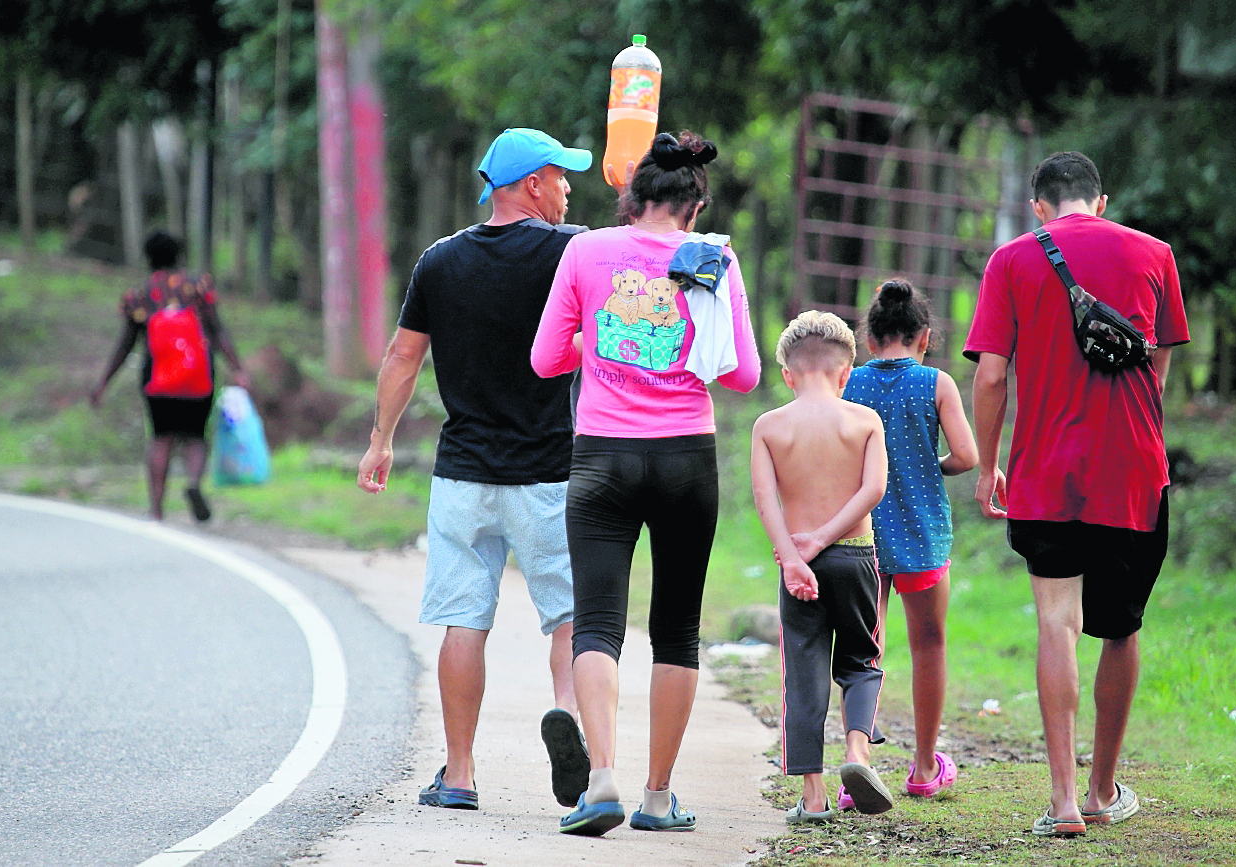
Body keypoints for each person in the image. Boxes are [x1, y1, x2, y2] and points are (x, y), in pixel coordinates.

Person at [355, 128, 594, 812]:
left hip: (462, 474)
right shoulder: (573, 250)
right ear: (532, 184)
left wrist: (380, 440)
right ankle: (566, 713)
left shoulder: (439, 261)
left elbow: (402, 357)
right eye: (561, 176)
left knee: (464, 620)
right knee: (570, 616)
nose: (567, 189)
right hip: (550, 471)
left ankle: (458, 775)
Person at [530, 131, 761, 836]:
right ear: (694, 206)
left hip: (602, 458)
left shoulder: (584, 251)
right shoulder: (714, 257)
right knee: (677, 630)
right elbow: (743, 375)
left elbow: (545, 359)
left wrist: (603, 343)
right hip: (686, 458)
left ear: (632, 197)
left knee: (596, 622)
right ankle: (657, 797)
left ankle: (600, 780)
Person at [963, 151, 1190, 837]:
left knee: (1056, 622)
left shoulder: (1011, 260)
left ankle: (1062, 801)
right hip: (1133, 472)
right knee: (1120, 628)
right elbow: (1157, 365)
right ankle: (1101, 790)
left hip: (1045, 471)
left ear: (1038, 206)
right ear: (1101, 200)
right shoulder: (1154, 254)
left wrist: (987, 465)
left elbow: (991, 377)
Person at [751, 310, 891, 825]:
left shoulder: (769, 426)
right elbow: (873, 490)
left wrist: (794, 557)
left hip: (798, 569)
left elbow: (765, 501)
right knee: (861, 659)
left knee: (803, 672)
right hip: (854, 556)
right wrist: (826, 538)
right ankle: (857, 753)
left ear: (788, 374)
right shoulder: (864, 421)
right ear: (846, 373)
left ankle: (813, 798)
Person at [841, 279, 977, 805]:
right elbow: (966, 457)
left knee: (864, 648)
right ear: (924, 337)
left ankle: (858, 759)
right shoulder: (936, 383)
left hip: (862, 535)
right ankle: (923, 767)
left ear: (869, 339)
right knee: (929, 646)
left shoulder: (850, 381)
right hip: (921, 535)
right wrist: (927, 463)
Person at [90, 230, 248, 522]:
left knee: (160, 438)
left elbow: (125, 344)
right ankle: (193, 483)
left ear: (148, 258)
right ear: (179, 255)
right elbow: (217, 330)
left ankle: (156, 509)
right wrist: (237, 368)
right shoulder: (198, 287)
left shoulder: (139, 295)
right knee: (196, 436)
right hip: (197, 374)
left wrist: (103, 382)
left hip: (157, 377)